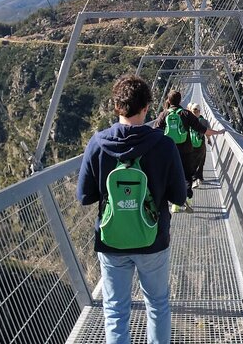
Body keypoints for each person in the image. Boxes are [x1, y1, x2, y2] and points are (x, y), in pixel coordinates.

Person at [77, 75, 186, 344]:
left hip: (112, 241)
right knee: (157, 305)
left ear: (117, 107)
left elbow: (84, 196)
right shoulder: (164, 144)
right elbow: (179, 197)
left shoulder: (98, 143)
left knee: (115, 310)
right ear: (147, 107)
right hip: (153, 240)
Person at [154, 91, 224, 213]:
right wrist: (218, 133)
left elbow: (155, 132)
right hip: (186, 151)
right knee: (187, 176)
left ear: (168, 101)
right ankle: (188, 198)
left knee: (173, 176)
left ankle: (175, 204)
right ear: (181, 101)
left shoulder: (164, 114)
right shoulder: (186, 114)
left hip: (170, 150)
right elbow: (202, 129)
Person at [188, 102, 211, 188]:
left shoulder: (188, 120)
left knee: (192, 161)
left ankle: (194, 179)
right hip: (201, 144)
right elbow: (208, 132)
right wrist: (209, 140)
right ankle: (199, 178)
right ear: (200, 111)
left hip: (191, 144)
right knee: (201, 160)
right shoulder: (204, 121)